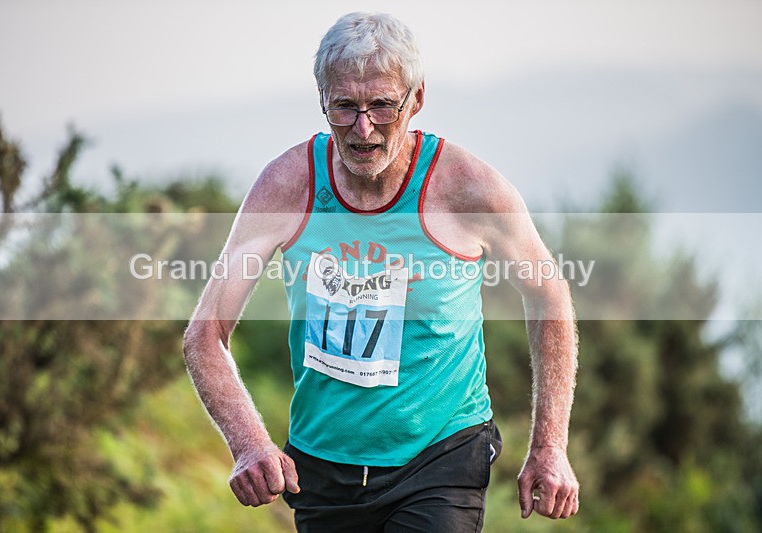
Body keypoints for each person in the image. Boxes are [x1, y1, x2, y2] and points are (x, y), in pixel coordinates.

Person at [183, 11, 579, 532]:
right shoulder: (287, 185)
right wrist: (249, 443)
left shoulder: (470, 189)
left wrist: (549, 447)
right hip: (321, 467)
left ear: (415, 100)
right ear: (322, 101)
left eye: (382, 106)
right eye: (344, 107)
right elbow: (204, 335)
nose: (362, 129)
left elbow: (549, 297)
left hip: (441, 458)